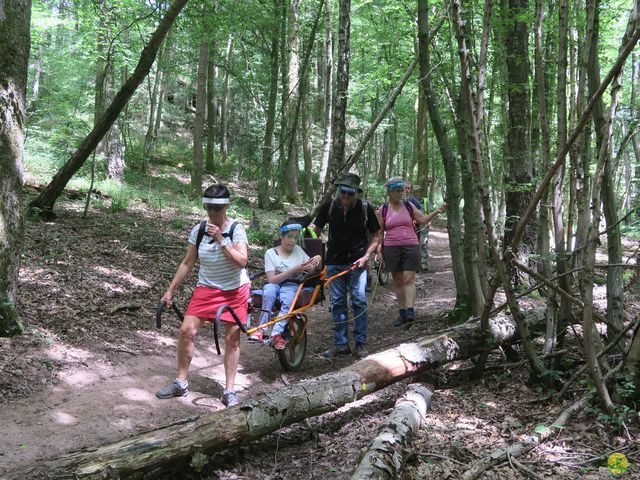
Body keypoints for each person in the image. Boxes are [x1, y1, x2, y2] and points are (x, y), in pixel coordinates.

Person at [155, 184, 250, 408]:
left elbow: (242, 262)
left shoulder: (236, 229)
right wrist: (170, 290)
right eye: (208, 207)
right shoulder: (198, 230)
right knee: (186, 330)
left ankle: (229, 390)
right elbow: (188, 263)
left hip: (234, 290)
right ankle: (181, 382)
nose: (212, 213)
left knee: (232, 340)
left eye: (216, 209)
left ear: (225, 207)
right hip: (207, 288)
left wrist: (221, 240)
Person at [313, 173, 381, 359]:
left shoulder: (365, 208)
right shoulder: (329, 207)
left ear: (356, 194)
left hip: (357, 263)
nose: (345, 197)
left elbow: (376, 235)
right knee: (337, 303)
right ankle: (341, 344)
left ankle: (361, 344)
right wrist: (316, 255)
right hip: (334, 261)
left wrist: (367, 256)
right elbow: (315, 232)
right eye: (343, 192)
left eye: (350, 194)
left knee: (358, 301)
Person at [377, 177, 446, 327]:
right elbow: (379, 233)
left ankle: (410, 312)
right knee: (397, 281)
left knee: (408, 278)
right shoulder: (382, 210)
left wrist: (437, 211)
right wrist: (379, 251)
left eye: (402, 190)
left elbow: (423, 219)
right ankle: (401, 314)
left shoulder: (408, 206)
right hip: (391, 247)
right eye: (397, 191)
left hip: (410, 245)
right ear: (390, 192)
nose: (401, 193)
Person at [248, 220, 322, 348]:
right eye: (289, 237)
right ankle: (261, 329)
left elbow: (311, 268)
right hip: (274, 283)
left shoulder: (298, 251)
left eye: (295, 237)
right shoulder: (270, 253)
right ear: (281, 237)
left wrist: (318, 260)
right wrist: (295, 269)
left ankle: (277, 333)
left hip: (291, 285)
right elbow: (272, 279)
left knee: (287, 298)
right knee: (269, 292)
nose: (292, 241)